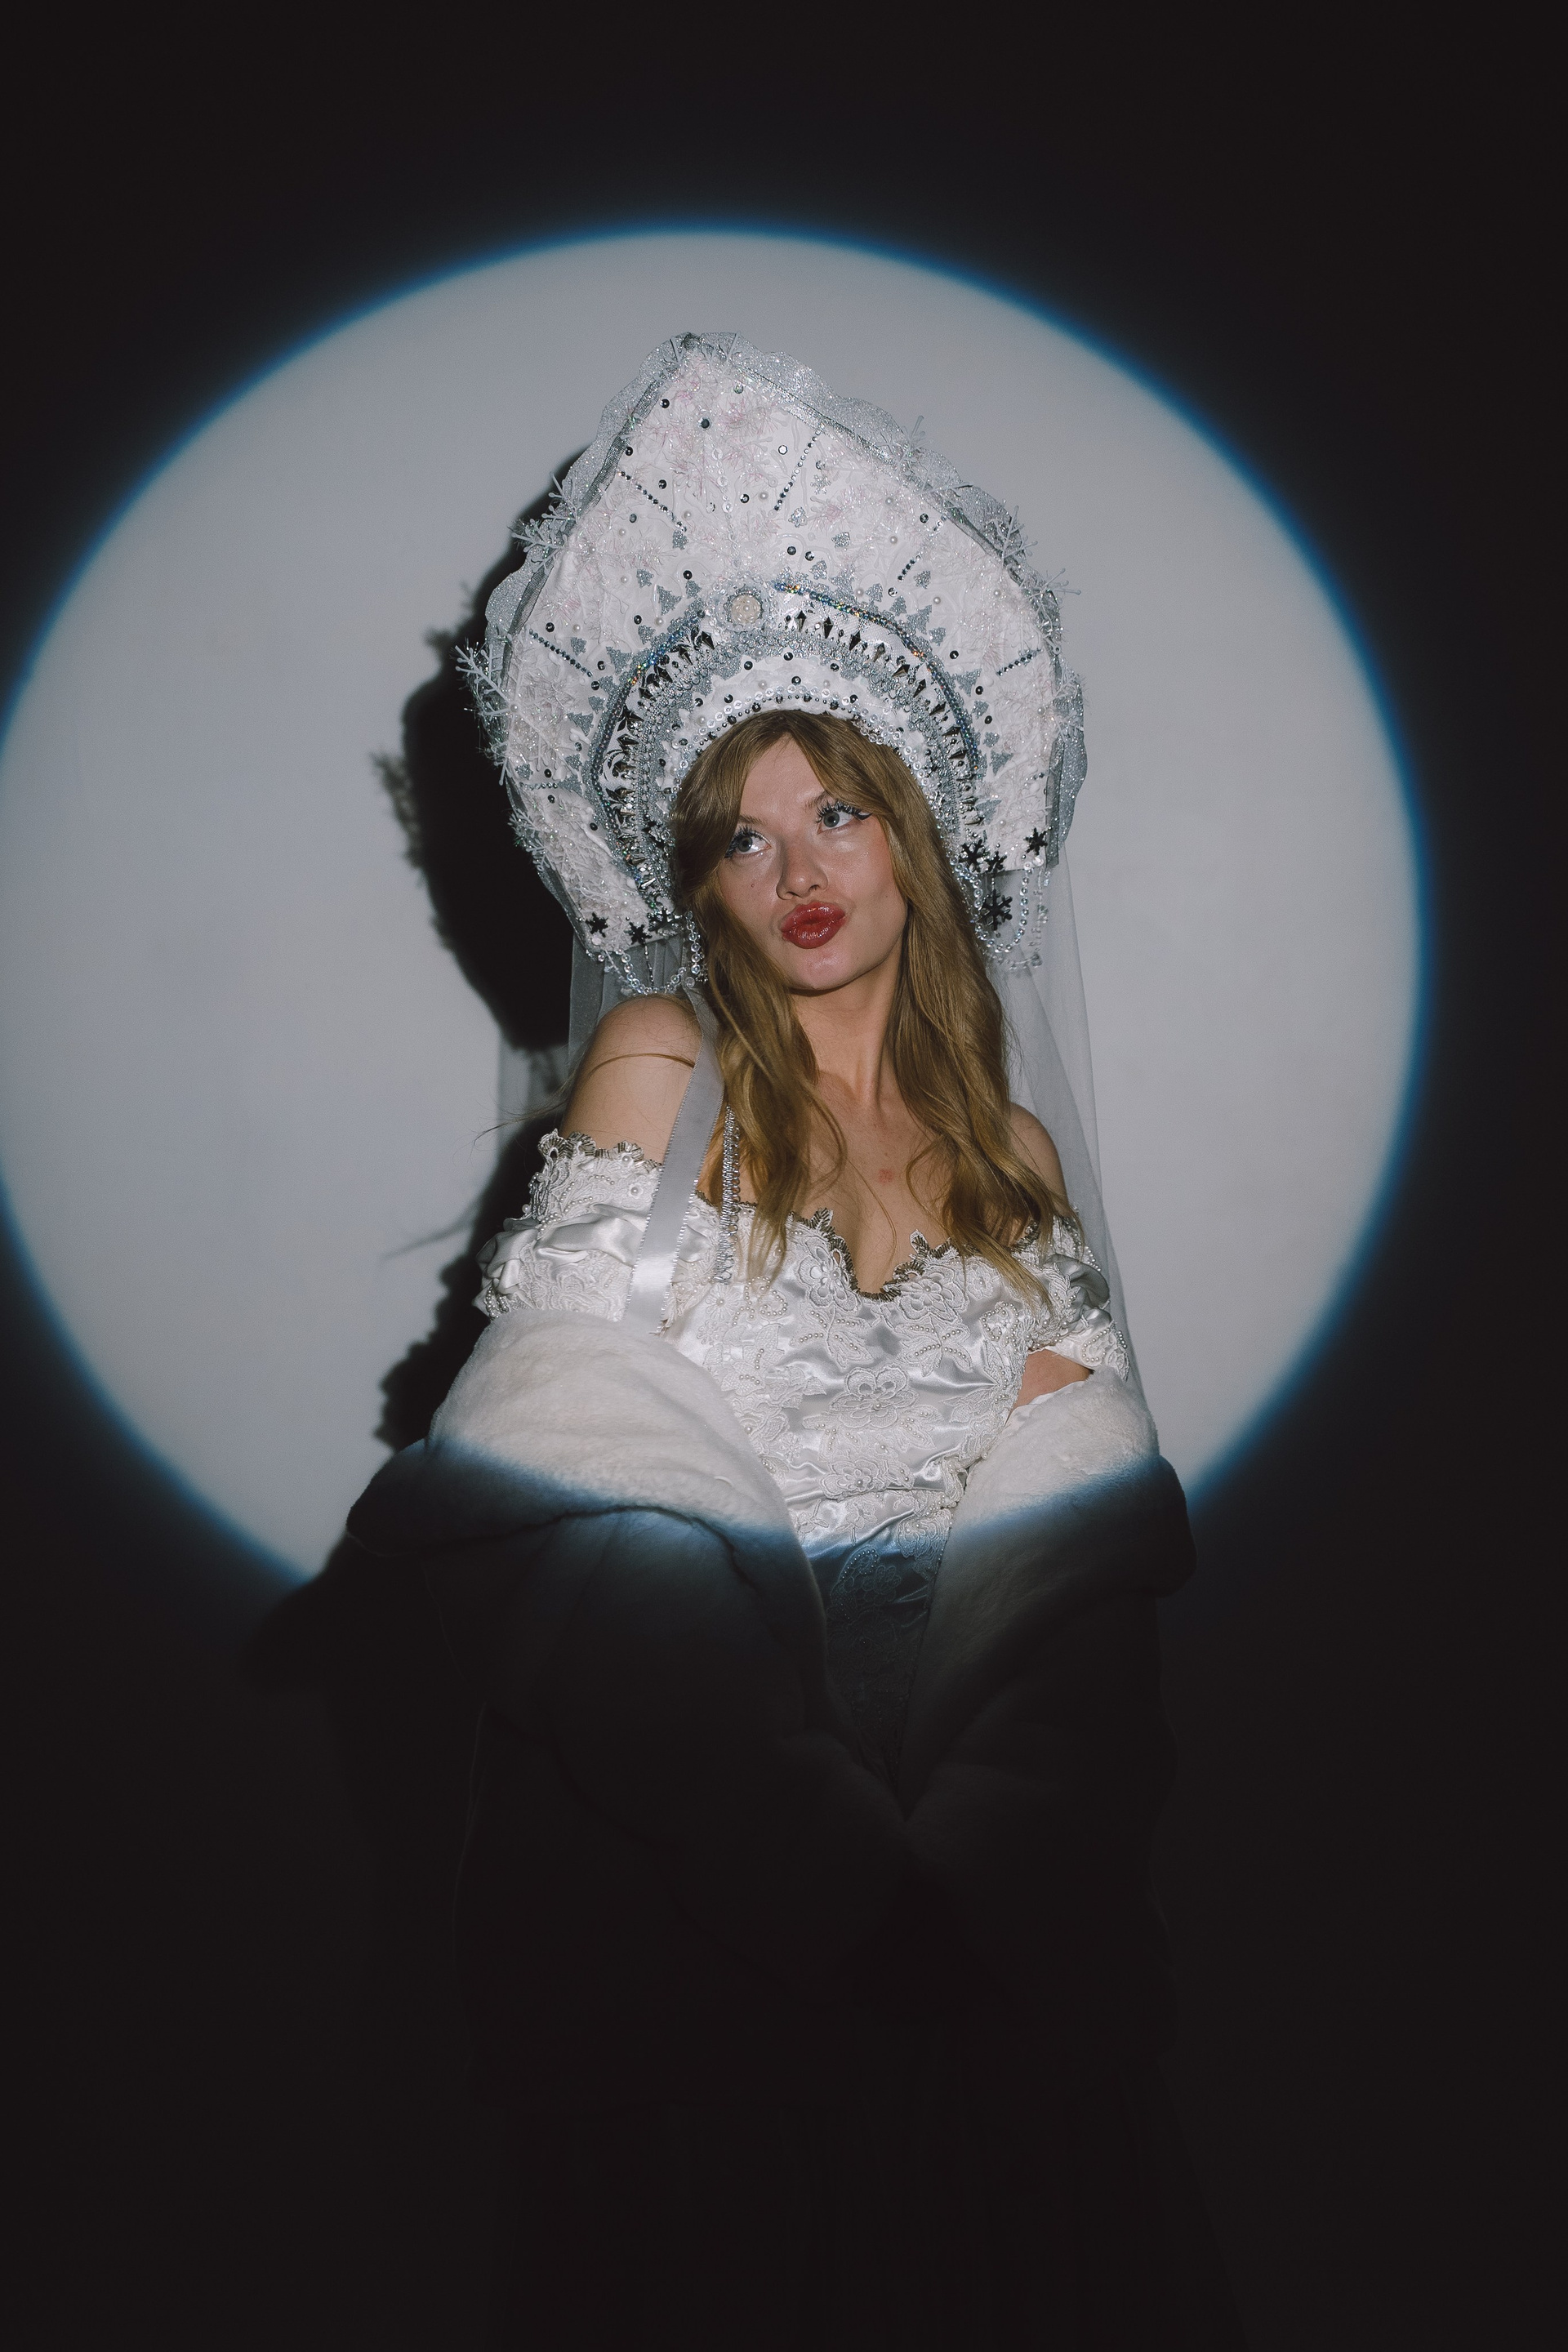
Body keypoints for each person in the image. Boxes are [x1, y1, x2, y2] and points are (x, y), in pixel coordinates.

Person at [349, 334, 1245, 2347]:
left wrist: (983, 1870)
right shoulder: (657, 1066)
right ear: (695, 882)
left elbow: (1081, 1558)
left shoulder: (1010, 1151)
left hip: (981, 1899)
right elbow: (572, 1486)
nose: (801, 873)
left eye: (834, 809)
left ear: (909, 820)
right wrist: (815, 1864)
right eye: (743, 838)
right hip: (707, 1889)